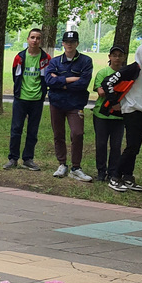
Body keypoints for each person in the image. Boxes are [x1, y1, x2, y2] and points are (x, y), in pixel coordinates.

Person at [103, 43, 142, 191]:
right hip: (131, 111)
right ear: (140, 54)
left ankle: (128, 176)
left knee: (135, 148)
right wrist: (113, 102)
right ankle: (115, 176)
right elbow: (108, 81)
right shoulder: (134, 68)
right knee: (131, 146)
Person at [43, 30, 93, 181]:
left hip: (75, 104)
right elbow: (48, 81)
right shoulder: (55, 62)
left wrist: (60, 81)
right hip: (57, 103)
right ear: (63, 43)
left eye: (73, 42)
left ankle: (76, 167)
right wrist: (69, 80)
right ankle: (62, 164)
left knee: (77, 133)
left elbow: (83, 83)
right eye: (67, 42)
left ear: (77, 43)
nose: (69, 44)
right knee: (58, 134)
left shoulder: (85, 61)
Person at [5, 29, 50, 171]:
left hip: (37, 99)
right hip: (21, 98)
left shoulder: (45, 58)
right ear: (28, 39)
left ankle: (28, 159)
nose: (35, 40)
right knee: (16, 129)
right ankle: (13, 158)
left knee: (32, 130)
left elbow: (47, 77)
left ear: (41, 41)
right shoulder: (20, 57)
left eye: (38, 38)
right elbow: (16, 76)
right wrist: (19, 92)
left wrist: (42, 93)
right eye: (32, 37)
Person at [90, 46, 127, 188]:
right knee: (101, 144)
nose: (117, 58)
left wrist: (112, 91)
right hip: (102, 114)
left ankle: (113, 172)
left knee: (116, 146)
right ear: (109, 57)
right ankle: (101, 171)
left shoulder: (126, 73)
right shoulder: (103, 73)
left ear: (123, 58)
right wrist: (117, 91)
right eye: (114, 55)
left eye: (120, 55)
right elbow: (100, 91)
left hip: (119, 116)